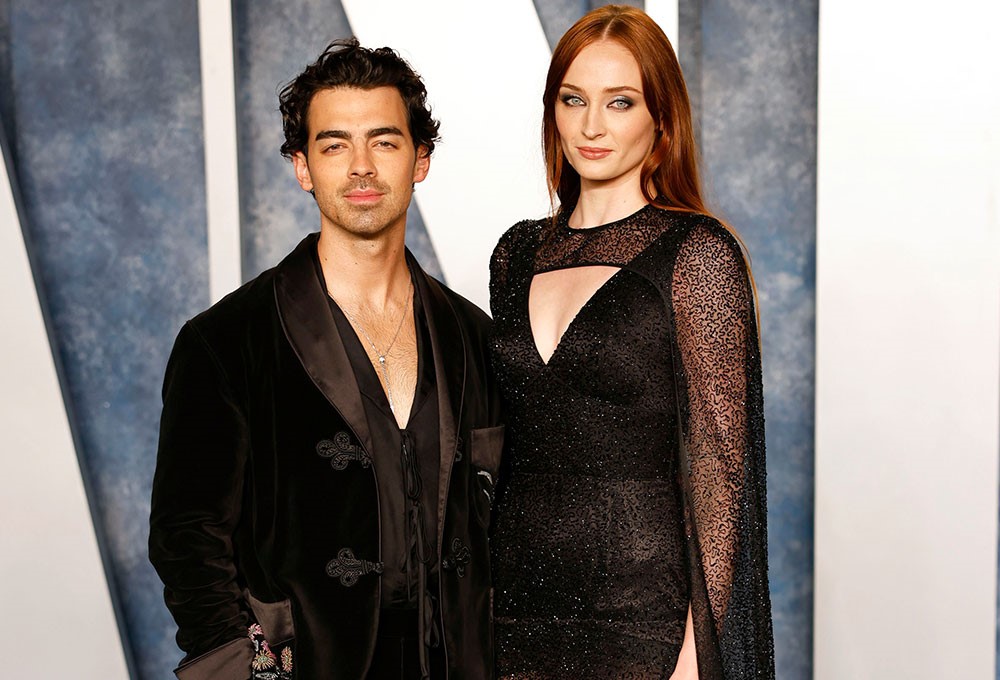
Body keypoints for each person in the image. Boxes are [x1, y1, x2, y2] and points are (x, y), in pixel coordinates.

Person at [149, 39, 503, 680]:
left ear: (420, 160)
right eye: (335, 145)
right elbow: (187, 538)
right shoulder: (223, 342)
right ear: (302, 166)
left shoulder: (474, 337)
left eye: (384, 142)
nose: (361, 167)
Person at [488, 6, 773, 679]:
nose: (592, 125)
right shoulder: (516, 253)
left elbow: (720, 471)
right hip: (512, 610)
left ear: (661, 120)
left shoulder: (697, 254)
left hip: (642, 621)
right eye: (573, 100)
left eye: (620, 102)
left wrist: (695, 658)